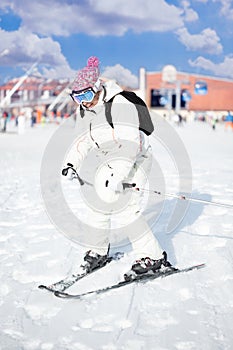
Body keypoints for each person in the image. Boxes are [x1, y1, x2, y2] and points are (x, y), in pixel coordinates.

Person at [64, 56, 173, 279]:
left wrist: (118, 176)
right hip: (109, 161)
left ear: (96, 89)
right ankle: (97, 251)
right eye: (77, 98)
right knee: (97, 204)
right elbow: (83, 140)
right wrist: (71, 162)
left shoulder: (120, 103)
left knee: (125, 208)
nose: (82, 102)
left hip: (135, 158)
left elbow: (131, 143)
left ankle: (153, 257)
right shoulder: (84, 110)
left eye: (85, 95)